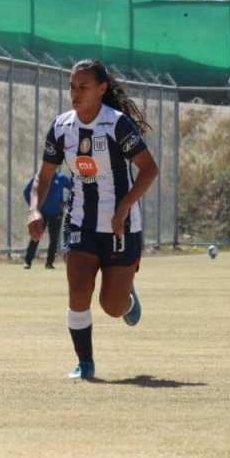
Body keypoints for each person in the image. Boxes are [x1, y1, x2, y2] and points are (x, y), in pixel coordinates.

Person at [28, 58, 158, 380]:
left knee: (112, 306)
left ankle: (127, 300)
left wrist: (124, 207)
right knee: (78, 292)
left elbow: (149, 169)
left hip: (120, 226)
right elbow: (44, 176)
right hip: (80, 222)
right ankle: (85, 363)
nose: (75, 93)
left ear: (101, 89)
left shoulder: (117, 124)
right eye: (72, 86)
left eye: (83, 87)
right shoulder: (61, 127)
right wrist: (34, 209)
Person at [22, 169, 71, 269]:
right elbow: (26, 191)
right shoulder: (40, 177)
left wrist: (66, 202)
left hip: (56, 213)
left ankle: (49, 263)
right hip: (41, 214)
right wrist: (33, 207)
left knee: (54, 239)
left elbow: (75, 189)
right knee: (35, 236)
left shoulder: (61, 178)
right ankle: (27, 262)